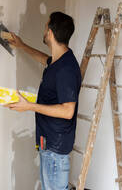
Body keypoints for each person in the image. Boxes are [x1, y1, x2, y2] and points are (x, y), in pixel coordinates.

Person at [5, 12, 81, 190]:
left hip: (55, 148)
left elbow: (68, 111)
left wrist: (29, 106)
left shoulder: (66, 69)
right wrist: (22, 46)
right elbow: (44, 59)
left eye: (46, 27)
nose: (44, 30)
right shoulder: (58, 61)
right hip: (48, 143)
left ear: (51, 33)